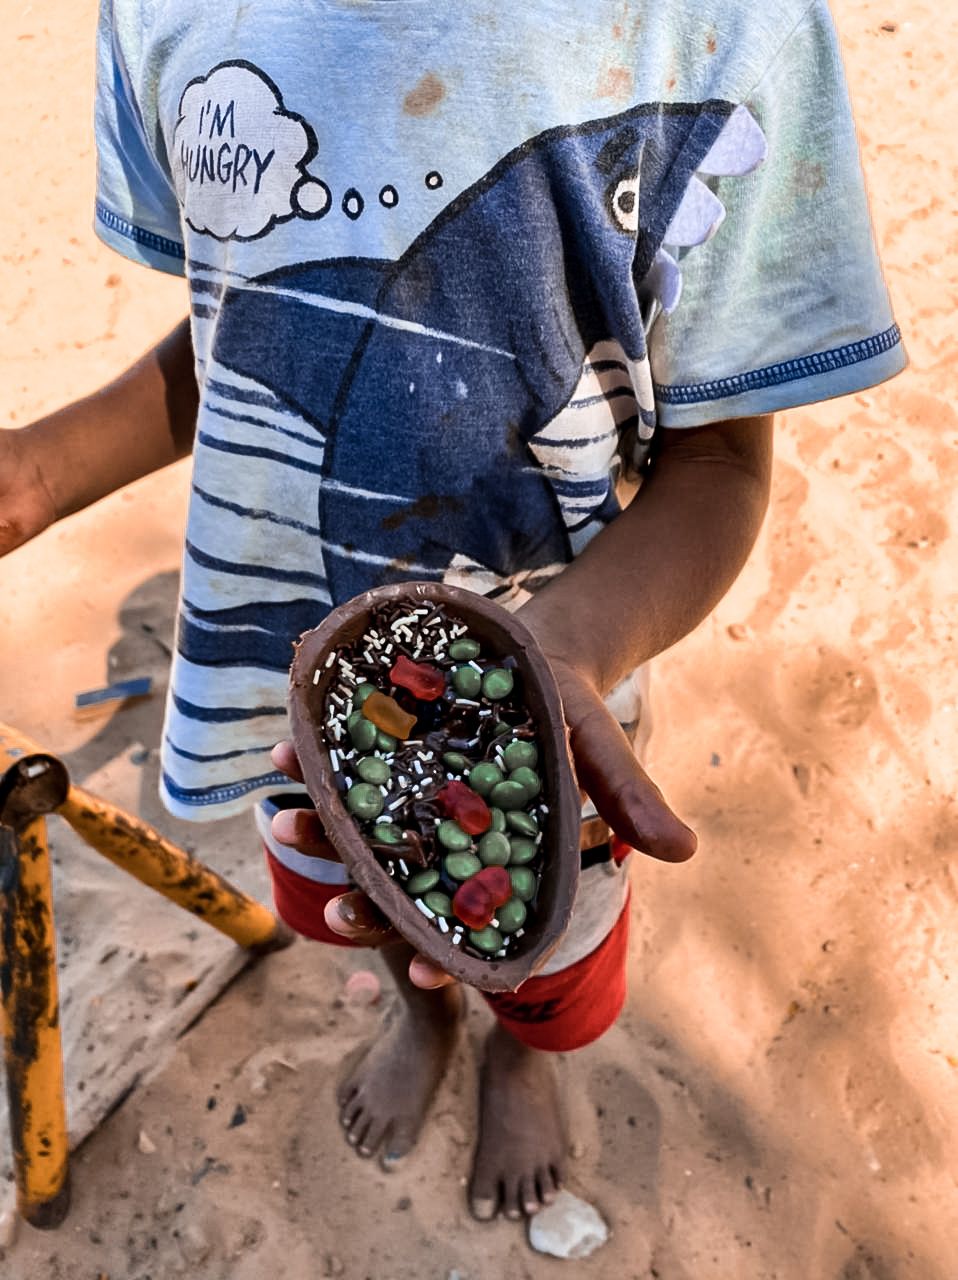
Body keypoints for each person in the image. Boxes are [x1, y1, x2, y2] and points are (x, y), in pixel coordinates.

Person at [1, 0, 904, 1224]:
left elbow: (720, 465)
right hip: (277, 680)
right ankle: (418, 1007)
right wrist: (39, 471)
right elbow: (243, 327)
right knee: (364, 896)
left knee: (544, 947)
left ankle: (523, 1047)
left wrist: (567, 647)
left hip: (548, 710)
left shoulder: (719, 23)